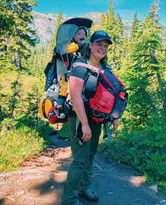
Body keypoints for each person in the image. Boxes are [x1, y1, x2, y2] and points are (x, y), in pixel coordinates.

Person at [62, 30, 120, 205]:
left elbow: (113, 92)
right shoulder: (80, 66)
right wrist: (85, 124)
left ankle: (84, 187)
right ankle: (69, 200)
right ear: (91, 45)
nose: (102, 48)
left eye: (105, 45)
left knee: (91, 155)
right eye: (99, 44)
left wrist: (115, 116)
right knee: (80, 160)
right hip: (79, 118)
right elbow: (75, 95)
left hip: (96, 119)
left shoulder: (105, 68)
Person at [55, 27, 88, 119]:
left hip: (80, 71)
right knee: (64, 87)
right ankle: (59, 107)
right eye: (79, 34)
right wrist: (79, 46)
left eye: (84, 34)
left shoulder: (84, 45)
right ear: (72, 36)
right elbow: (68, 50)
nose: (82, 35)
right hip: (67, 72)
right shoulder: (70, 45)